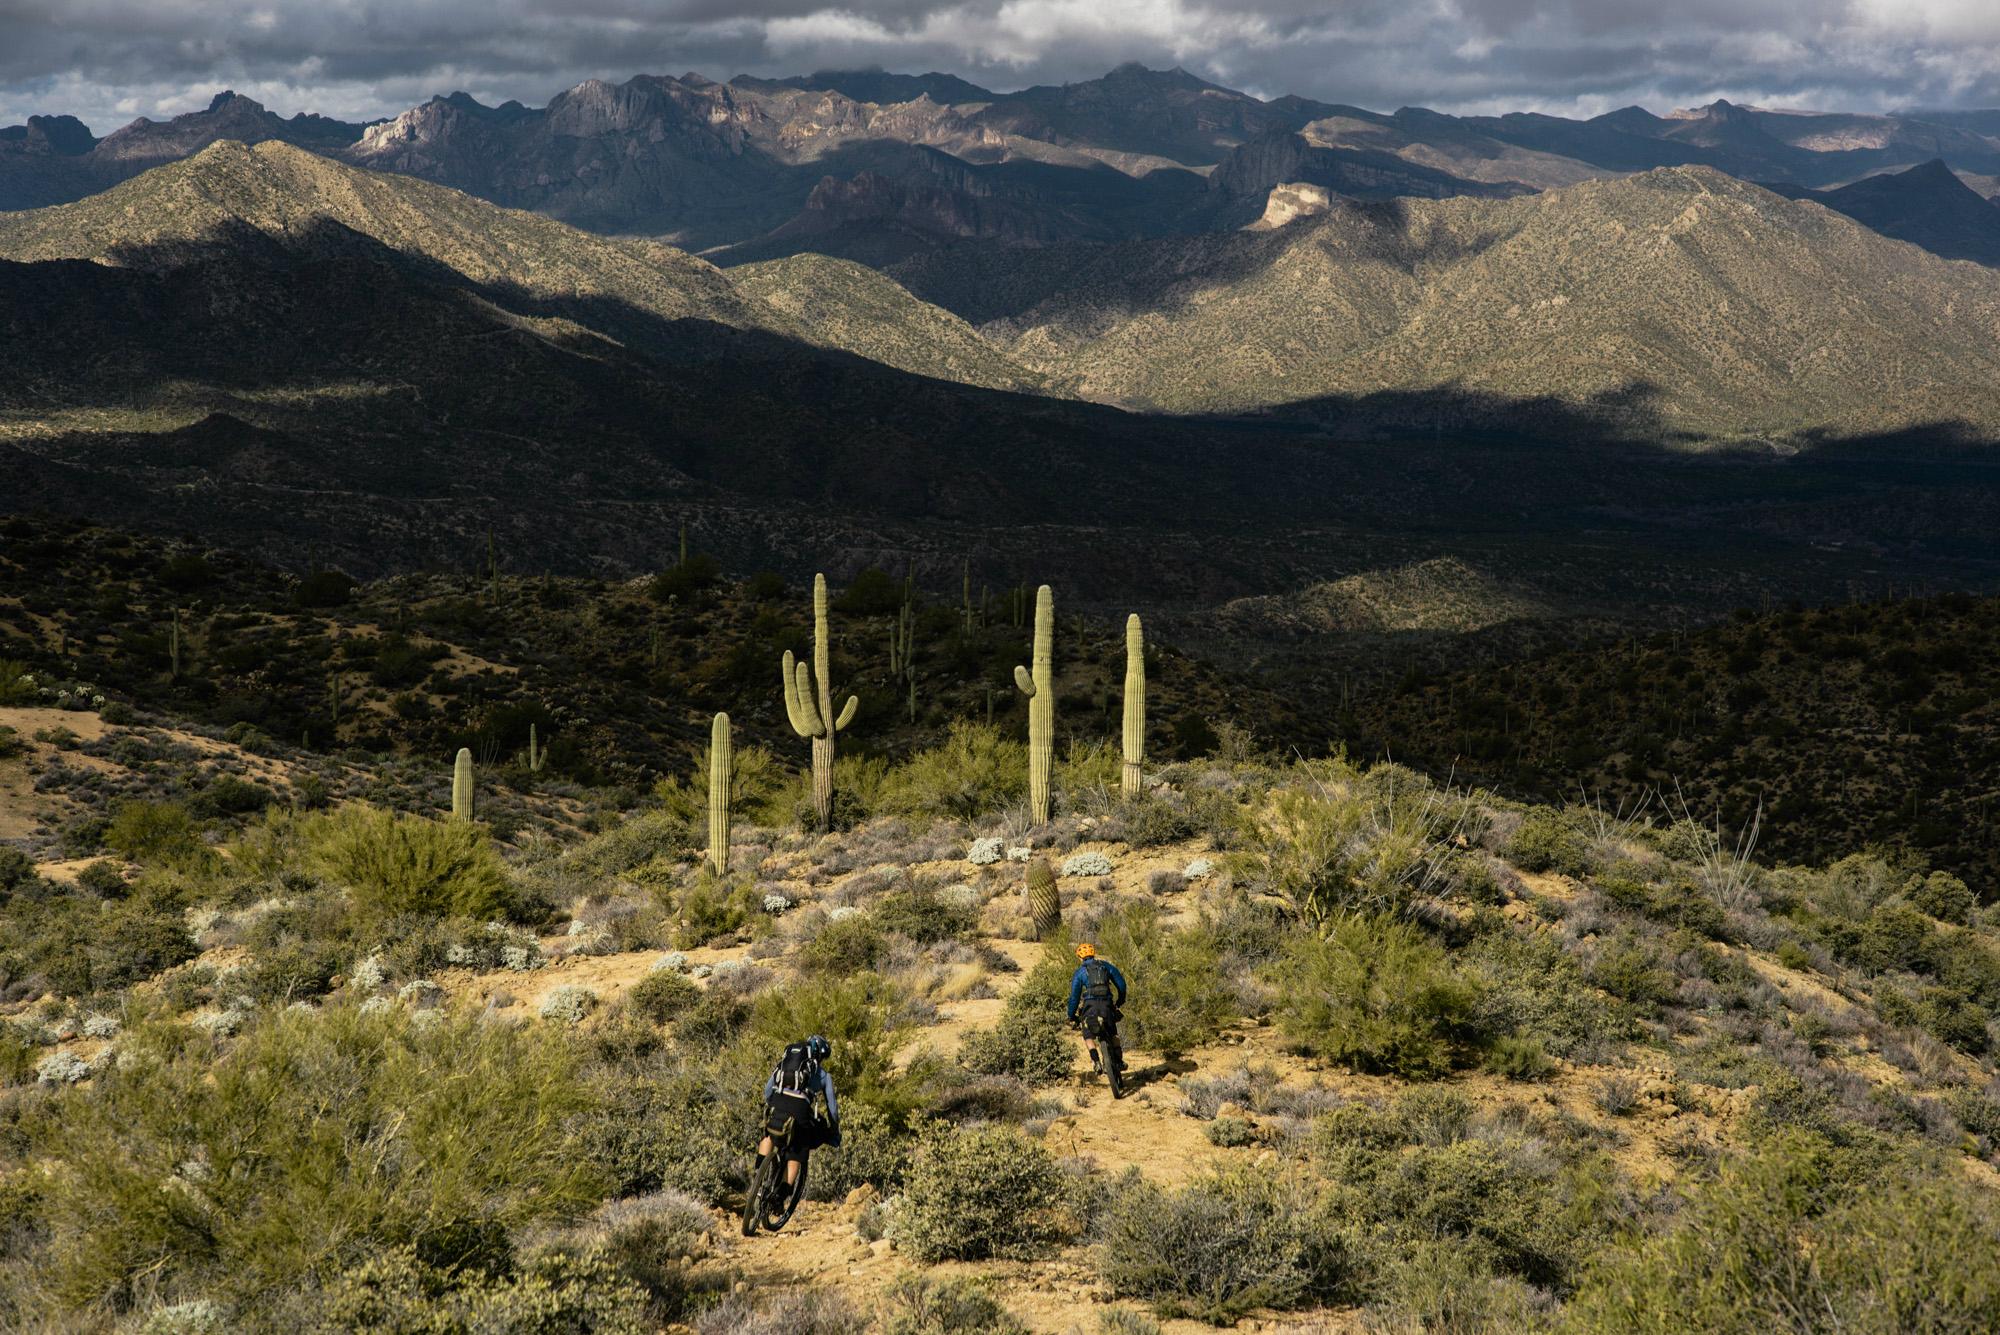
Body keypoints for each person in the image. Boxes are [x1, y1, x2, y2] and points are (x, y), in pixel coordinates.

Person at [758, 1034, 841, 1190]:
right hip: (799, 1109)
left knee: (768, 1132)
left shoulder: (785, 1064)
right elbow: (833, 1108)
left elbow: (767, 1090)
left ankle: (757, 1176)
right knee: (799, 1149)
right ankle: (780, 1196)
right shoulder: (823, 1075)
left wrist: (775, 1104)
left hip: (777, 1100)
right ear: (820, 1056)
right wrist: (834, 1130)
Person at [1066, 943, 1128, 1095]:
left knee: (1087, 1034)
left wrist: (1071, 1015)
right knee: (1113, 1033)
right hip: (1107, 1004)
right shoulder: (1106, 966)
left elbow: (1074, 997)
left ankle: (1095, 1061)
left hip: (1090, 1006)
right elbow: (1121, 984)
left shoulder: (1080, 972)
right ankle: (1119, 1061)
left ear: (1080, 957)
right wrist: (1120, 1000)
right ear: (1094, 953)